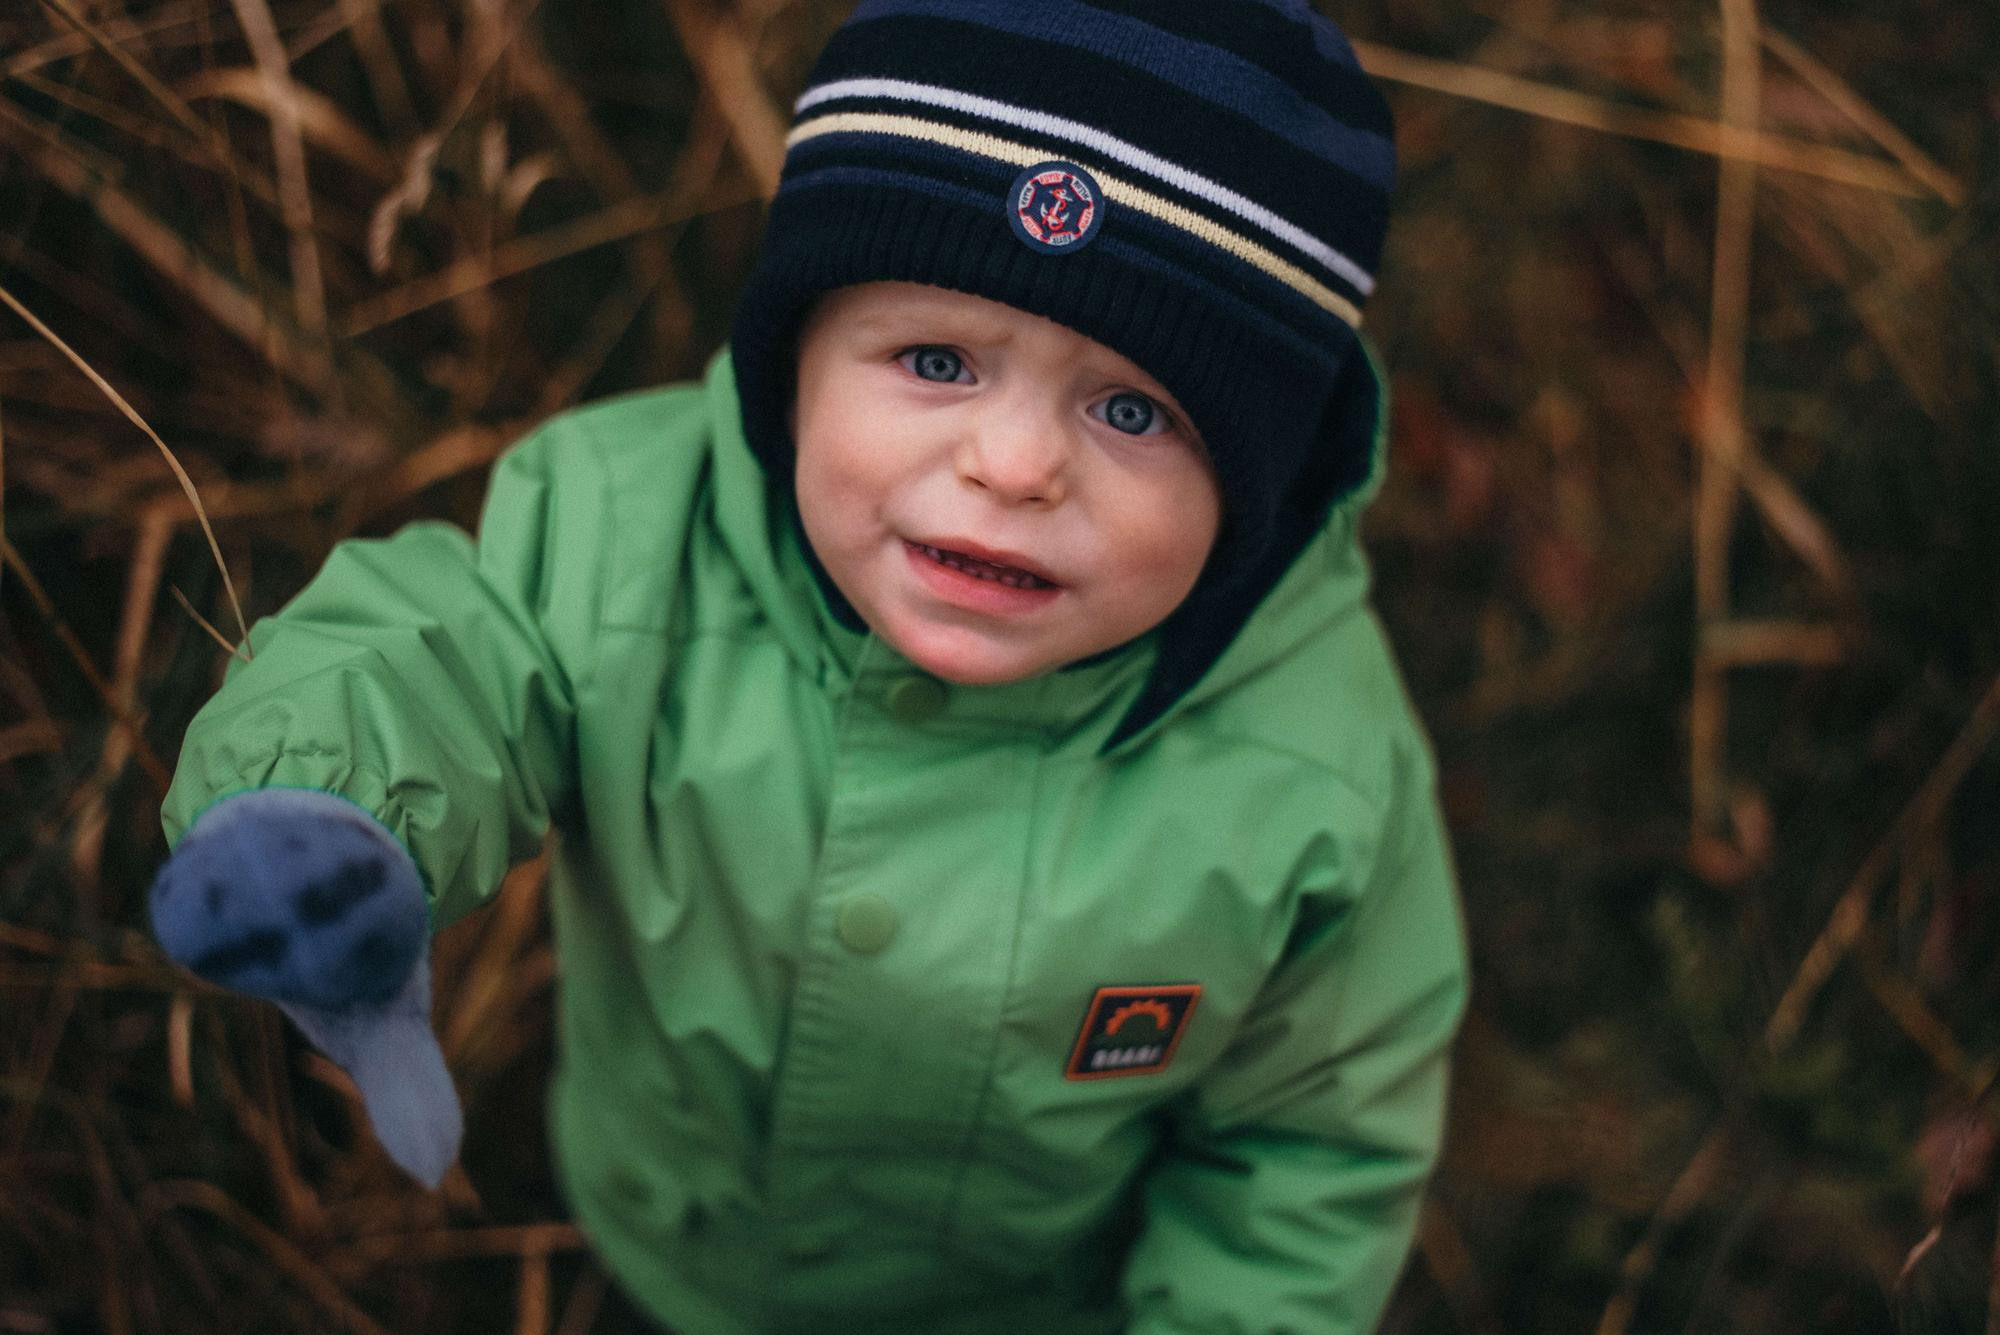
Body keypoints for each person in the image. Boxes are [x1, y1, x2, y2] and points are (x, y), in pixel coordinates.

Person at [146, 1, 1469, 1330]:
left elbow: (1314, 1148)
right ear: (797, 364)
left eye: (1133, 409)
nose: (1013, 466)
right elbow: (447, 655)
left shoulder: (1315, 764)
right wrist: (326, 804)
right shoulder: (622, 537)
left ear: (1258, 483)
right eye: (936, 360)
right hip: (668, 1247)